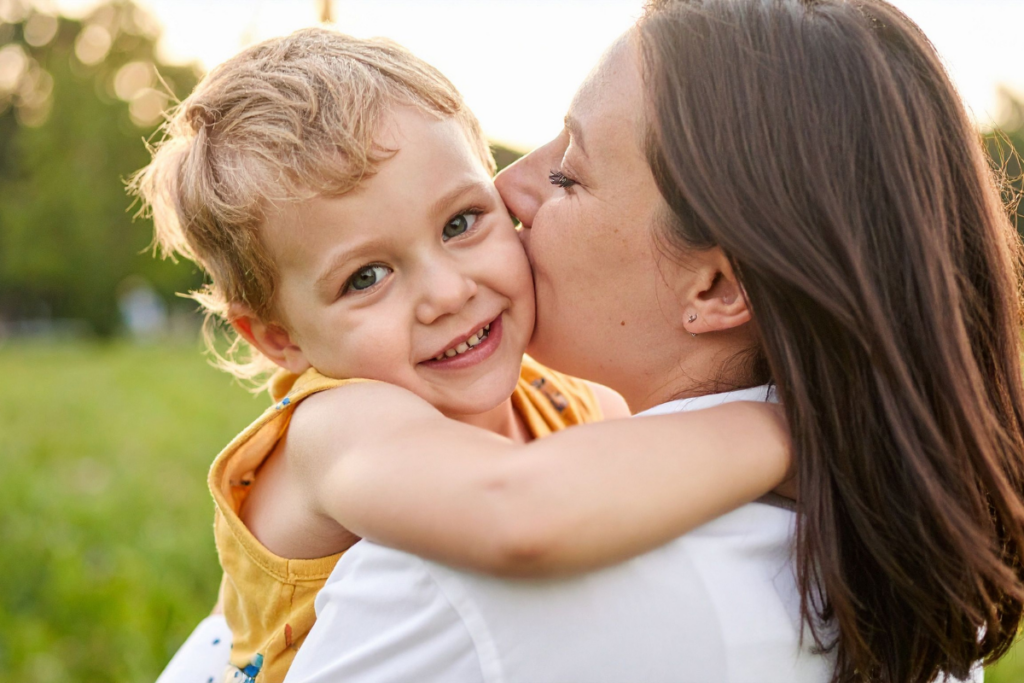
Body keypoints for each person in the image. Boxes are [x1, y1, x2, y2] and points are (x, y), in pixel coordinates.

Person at [284, 1, 1024, 682]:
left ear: (717, 289)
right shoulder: (912, 562)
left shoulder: (461, 578)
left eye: (569, 173)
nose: (510, 188)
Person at [136, 28, 792, 683]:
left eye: (460, 223)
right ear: (279, 337)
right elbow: (520, 515)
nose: (448, 293)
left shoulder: (568, 398)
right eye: (366, 277)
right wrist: (786, 427)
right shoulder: (337, 428)